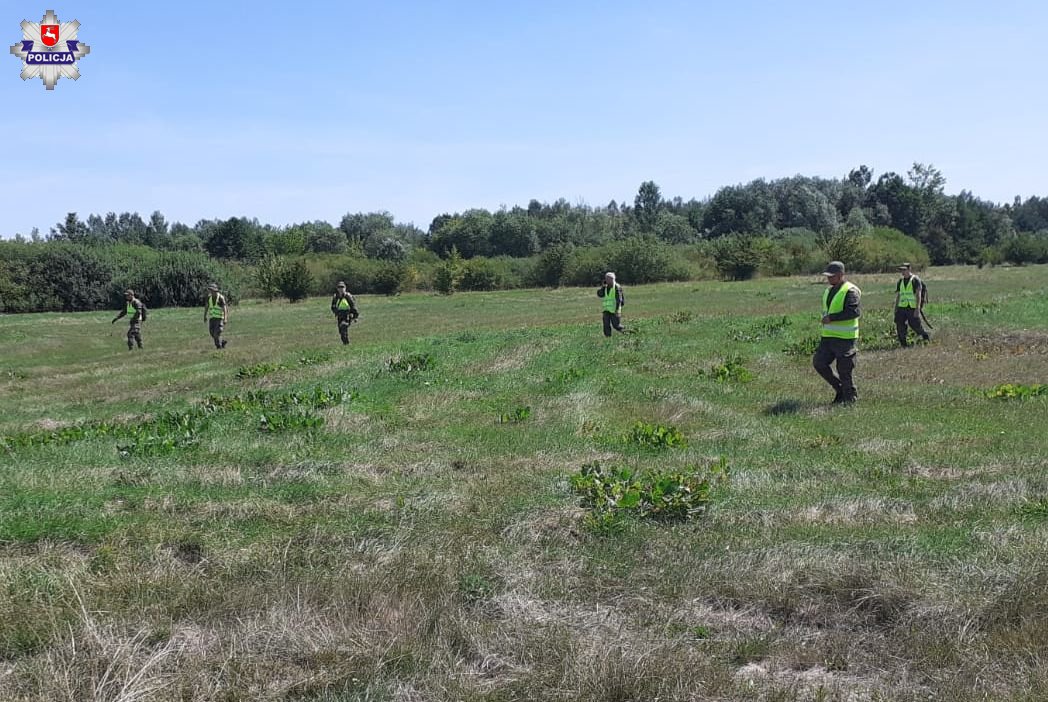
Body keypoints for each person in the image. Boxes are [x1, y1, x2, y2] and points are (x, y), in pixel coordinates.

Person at [813, 261, 861, 404]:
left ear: (841, 275)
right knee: (819, 363)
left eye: (831, 276)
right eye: (827, 276)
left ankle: (850, 398)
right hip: (828, 337)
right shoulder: (828, 290)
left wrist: (831, 318)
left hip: (845, 338)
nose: (828, 279)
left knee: (844, 370)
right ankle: (840, 389)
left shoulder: (851, 290)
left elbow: (854, 312)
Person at [894, 263, 930, 347]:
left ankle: (925, 336)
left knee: (915, 326)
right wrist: (896, 308)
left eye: (904, 270)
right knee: (899, 325)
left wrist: (917, 309)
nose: (902, 272)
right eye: (901, 270)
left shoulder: (915, 280)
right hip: (901, 307)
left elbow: (918, 295)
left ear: (909, 269)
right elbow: (899, 295)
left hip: (912, 307)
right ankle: (904, 344)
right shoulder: (900, 281)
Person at [597, 272, 626, 337]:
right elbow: (600, 294)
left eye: (608, 279)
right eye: (606, 279)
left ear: (612, 279)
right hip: (606, 310)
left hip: (614, 309)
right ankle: (608, 338)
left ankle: (626, 332)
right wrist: (602, 287)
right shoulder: (605, 287)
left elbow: (619, 299)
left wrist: (617, 310)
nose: (606, 280)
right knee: (606, 325)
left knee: (616, 325)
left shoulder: (617, 287)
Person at [204, 283, 228, 349]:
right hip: (212, 318)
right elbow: (206, 307)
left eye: (212, 290)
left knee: (217, 333)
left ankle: (218, 346)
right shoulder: (209, 297)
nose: (210, 291)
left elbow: (225, 308)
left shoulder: (220, 297)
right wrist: (205, 315)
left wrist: (225, 318)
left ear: (215, 290)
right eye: (210, 290)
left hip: (219, 318)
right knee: (212, 333)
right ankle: (222, 342)